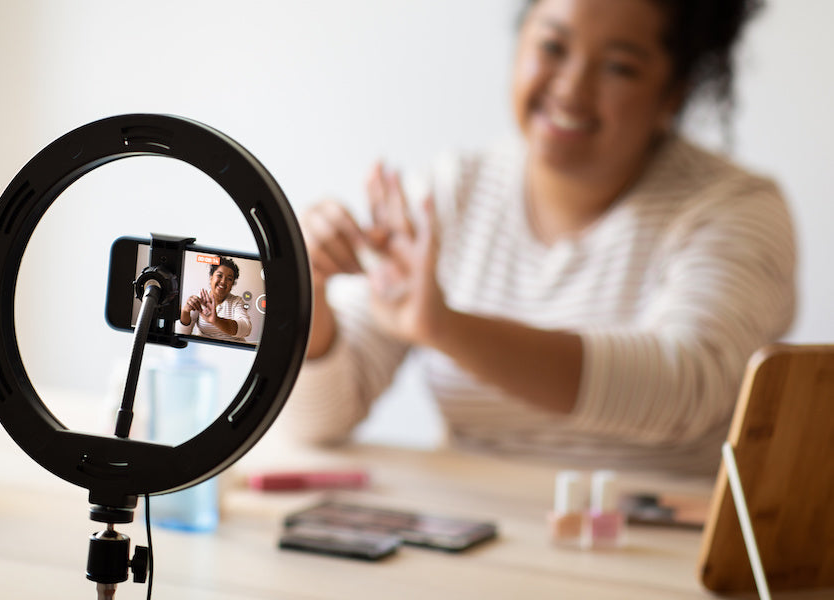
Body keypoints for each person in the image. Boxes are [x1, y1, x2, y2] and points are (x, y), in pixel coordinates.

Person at [280, 0, 796, 474]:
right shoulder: (452, 192)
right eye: (552, 48)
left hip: (662, 550)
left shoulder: (737, 209)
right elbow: (317, 424)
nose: (571, 89)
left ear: (673, 93)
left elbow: (687, 387)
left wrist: (448, 329)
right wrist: (310, 298)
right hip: (471, 538)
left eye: (619, 67)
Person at [177, 257, 252, 342]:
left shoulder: (236, 301)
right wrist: (185, 312)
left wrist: (216, 320)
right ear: (211, 278)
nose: (223, 281)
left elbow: (246, 329)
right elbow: (182, 335)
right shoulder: (200, 299)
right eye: (219, 275)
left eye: (229, 279)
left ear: (232, 285)